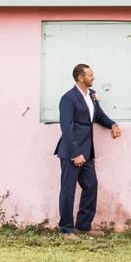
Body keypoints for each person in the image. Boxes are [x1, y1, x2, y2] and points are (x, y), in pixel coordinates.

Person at [53, 63, 122, 238]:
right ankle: (66, 229)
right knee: (68, 190)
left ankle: (83, 226)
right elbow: (66, 128)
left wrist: (112, 124)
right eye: (90, 75)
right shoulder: (68, 99)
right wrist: (75, 153)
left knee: (91, 186)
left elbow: (98, 115)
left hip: (88, 150)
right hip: (72, 152)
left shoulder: (91, 95)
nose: (93, 77)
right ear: (80, 78)